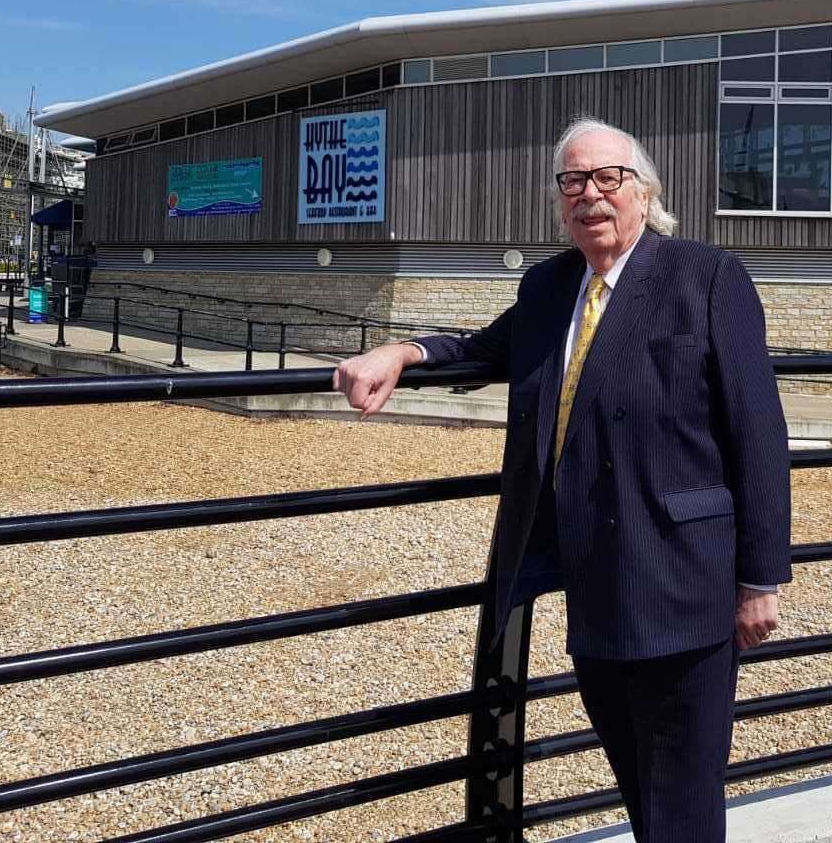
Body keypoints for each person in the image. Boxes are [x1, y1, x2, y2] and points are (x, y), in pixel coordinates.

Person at [334, 116, 791, 841]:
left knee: (683, 788)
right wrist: (402, 351)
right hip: (592, 578)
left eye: (608, 178)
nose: (590, 195)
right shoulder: (549, 286)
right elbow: (483, 349)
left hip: (686, 579)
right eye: (573, 181)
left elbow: (758, 431)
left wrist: (761, 579)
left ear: (644, 191)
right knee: (635, 775)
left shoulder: (704, 276)